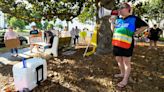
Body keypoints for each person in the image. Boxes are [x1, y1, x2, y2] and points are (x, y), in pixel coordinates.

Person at [110, 2, 148, 88]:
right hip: (116, 44)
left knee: (126, 62)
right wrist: (112, 22)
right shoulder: (118, 19)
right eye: (119, 8)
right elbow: (113, 30)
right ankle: (122, 73)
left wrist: (135, 33)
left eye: (122, 8)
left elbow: (145, 26)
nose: (119, 10)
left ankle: (125, 79)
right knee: (119, 60)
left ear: (128, 9)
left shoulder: (134, 19)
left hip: (127, 45)